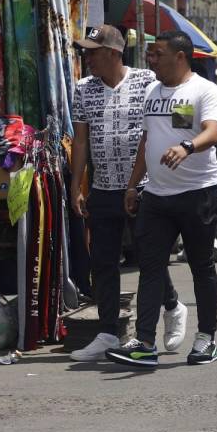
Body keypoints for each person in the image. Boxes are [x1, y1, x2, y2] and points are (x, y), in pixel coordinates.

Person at [105, 30, 217, 368]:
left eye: (157, 54)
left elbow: (213, 130)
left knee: (201, 266)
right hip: (157, 195)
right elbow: (148, 140)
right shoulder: (153, 92)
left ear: (180, 56)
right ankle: (144, 342)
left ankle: (206, 338)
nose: (150, 60)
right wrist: (132, 186)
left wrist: (187, 147)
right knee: (150, 267)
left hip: (198, 192)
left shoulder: (204, 89)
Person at [67, 26, 157, 362]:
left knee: (151, 258)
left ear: (114, 53)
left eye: (93, 51)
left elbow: (159, 128)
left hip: (144, 188)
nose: (87, 58)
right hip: (104, 188)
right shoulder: (83, 89)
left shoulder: (147, 81)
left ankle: (173, 305)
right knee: (103, 263)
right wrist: (77, 186)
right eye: (86, 52)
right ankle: (107, 332)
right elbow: (80, 141)